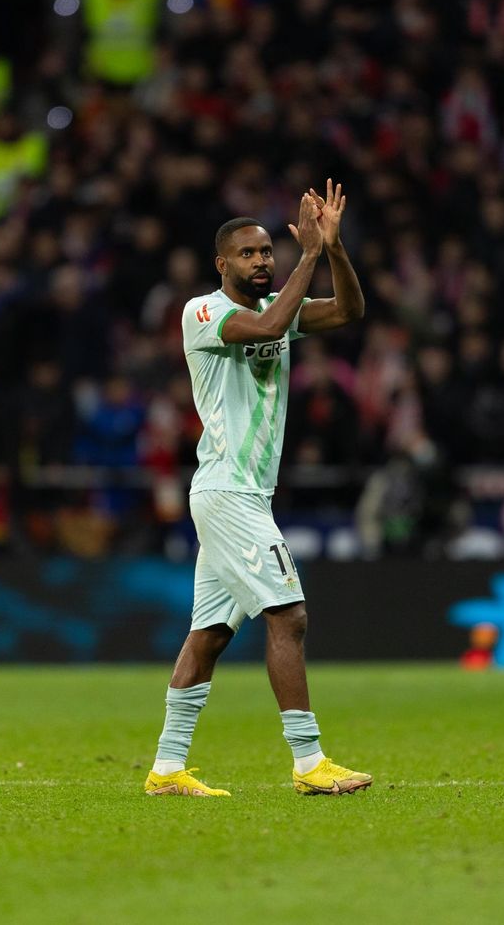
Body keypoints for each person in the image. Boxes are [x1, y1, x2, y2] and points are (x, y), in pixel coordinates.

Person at [145, 180, 372, 798]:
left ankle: (166, 768)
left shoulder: (281, 305)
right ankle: (309, 761)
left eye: (268, 250)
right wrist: (309, 255)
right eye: (247, 253)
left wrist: (335, 249)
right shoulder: (202, 312)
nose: (261, 260)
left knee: (210, 634)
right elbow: (271, 322)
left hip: (243, 493)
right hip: (228, 492)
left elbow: (349, 311)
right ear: (222, 264)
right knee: (289, 615)